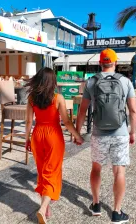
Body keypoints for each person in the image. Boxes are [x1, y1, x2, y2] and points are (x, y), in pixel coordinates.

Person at [75, 48, 136, 223]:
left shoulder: (92, 82)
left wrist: (78, 133)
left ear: (100, 63)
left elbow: (82, 111)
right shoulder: (125, 81)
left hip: (98, 133)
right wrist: (132, 132)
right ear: (115, 62)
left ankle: (96, 204)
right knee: (119, 171)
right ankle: (116, 212)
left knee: (96, 168)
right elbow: (133, 111)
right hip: (120, 133)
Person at [25, 67, 84, 224]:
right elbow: (66, 121)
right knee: (52, 171)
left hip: (37, 135)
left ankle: (46, 207)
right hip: (53, 136)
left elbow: (29, 121)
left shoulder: (31, 98)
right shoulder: (58, 98)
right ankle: (43, 208)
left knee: (42, 171)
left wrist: (27, 139)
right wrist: (78, 136)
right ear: (53, 82)